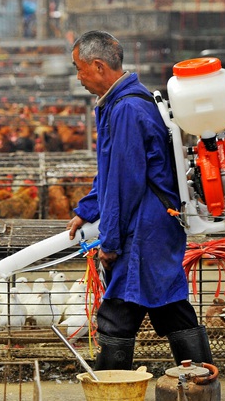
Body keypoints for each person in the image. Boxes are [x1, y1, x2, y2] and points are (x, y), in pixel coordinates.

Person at [66, 30, 213, 370]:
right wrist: (87, 210)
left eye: (79, 68)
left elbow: (123, 182)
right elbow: (112, 168)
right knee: (169, 305)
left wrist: (111, 241)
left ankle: (112, 387)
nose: (78, 77)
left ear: (99, 66)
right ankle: (202, 380)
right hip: (155, 224)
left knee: (119, 310)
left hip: (144, 228)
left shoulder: (127, 109)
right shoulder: (123, 102)